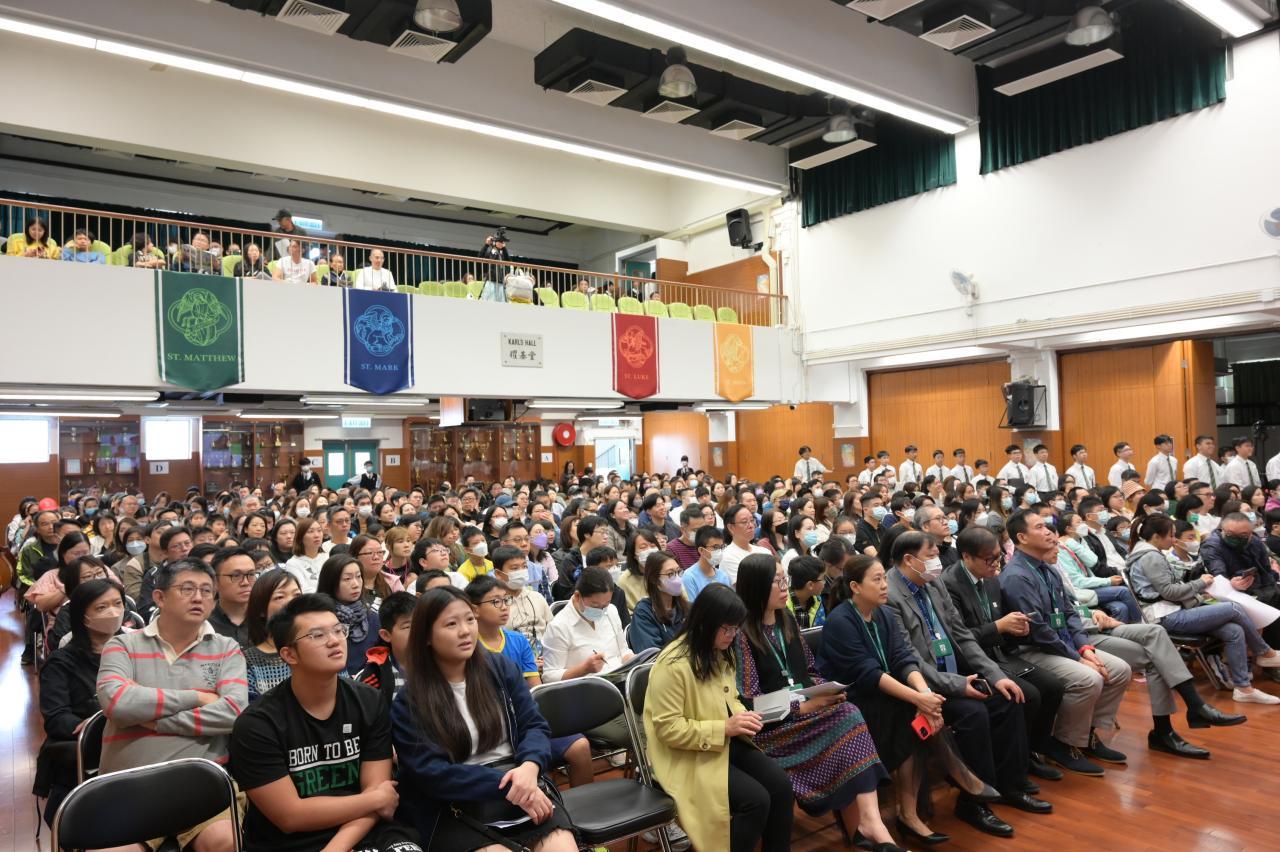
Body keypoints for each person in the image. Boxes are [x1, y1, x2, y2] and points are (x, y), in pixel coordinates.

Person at [230, 593, 421, 852]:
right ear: (289, 654)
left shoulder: (368, 701)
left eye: (338, 630)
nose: (334, 641)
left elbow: (379, 796)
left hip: (363, 827)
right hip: (291, 841)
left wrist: (337, 847)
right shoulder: (257, 724)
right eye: (317, 635)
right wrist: (374, 800)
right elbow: (290, 816)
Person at [390, 587, 577, 852]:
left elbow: (534, 725)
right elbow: (433, 774)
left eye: (469, 619)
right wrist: (510, 785)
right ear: (427, 636)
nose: (465, 631)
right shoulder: (410, 701)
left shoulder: (500, 668)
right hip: (456, 803)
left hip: (522, 782)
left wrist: (530, 767)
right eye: (451, 624)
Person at [883, 531, 1046, 834]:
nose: (938, 560)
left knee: (1009, 695)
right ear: (909, 559)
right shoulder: (890, 596)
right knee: (974, 714)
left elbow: (961, 635)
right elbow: (909, 660)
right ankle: (974, 803)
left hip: (957, 671)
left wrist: (996, 676)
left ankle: (1010, 785)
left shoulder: (933, 583)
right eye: (931, 555)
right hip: (925, 685)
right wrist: (958, 685)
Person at [732, 555, 898, 846]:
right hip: (773, 729)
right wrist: (802, 706)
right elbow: (751, 702)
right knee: (849, 719)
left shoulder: (786, 620)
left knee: (847, 711)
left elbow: (809, 671)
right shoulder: (742, 634)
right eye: (777, 582)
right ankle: (869, 827)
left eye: (785, 580)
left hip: (805, 714)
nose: (785, 587)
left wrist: (825, 690)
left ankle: (869, 825)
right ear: (757, 586)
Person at [96, 558, 247, 851]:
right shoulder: (122, 645)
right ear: (159, 597)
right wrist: (198, 697)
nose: (198, 597)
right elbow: (117, 704)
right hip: (129, 786)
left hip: (202, 786)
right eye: (187, 589)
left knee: (226, 842)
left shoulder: (226, 648)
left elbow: (234, 712)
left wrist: (154, 719)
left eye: (207, 591)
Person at [644, 583, 795, 852]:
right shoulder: (672, 664)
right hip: (685, 753)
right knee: (755, 801)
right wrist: (724, 727)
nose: (732, 635)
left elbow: (730, 698)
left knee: (781, 787)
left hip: (721, 739)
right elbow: (668, 729)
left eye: (736, 628)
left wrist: (742, 715)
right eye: (727, 628)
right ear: (705, 622)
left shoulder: (718, 650)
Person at [817, 555, 953, 844]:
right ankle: (960, 779)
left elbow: (903, 658)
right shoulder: (841, 621)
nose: (884, 585)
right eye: (876, 579)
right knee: (910, 712)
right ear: (855, 586)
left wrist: (925, 695)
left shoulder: (884, 614)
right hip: (851, 702)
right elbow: (867, 674)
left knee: (917, 713)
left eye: (883, 578)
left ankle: (909, 813)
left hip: (884, 694)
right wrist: (918, 699)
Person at [997, 511, 1131, 776]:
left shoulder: (1048, 569)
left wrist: (1085, 649)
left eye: (1047, 526)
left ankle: (1087, 734)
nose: (1048, 531)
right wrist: (1077, 658)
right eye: (1039, 527)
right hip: (1031, 650)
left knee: (1120, 670)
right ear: (1022, 537)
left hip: (1061, 644)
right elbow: (1038, 631)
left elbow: (1069, 613)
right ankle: (1062, 743)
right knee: (1088, 678)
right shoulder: (1016, 576)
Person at [946, 526, 1065, 781]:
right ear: (966, 557)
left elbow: (1001, 624)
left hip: (1000, 654)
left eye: (998, 557)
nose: (996, 564)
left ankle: (1032, 752)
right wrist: (999, 627)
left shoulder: (991, 577)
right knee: (1026, 695)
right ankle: (1013, 765)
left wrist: (1017, 629)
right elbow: (960, 638)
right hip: (972, 662)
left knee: (1053, 686)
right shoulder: (949, 585)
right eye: (989, 559)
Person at [1126, 514, 1279, 707]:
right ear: (1156, 536)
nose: (1174, 540)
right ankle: (1265, 653)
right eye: (1171, 535)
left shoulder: (1148, 553)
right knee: (1233, 607)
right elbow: (1169, 592)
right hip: (1166, 616)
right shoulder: (1151, 557)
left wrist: (1200, 590)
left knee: (1234, 630)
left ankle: (1243, 688)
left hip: (1173, 610)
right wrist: (1200, 583)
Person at [466, 576, 595, 788]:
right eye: (495, 601)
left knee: (580, 746)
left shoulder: (518, 640)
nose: (504, 607)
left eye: (506, 600)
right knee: (533, 764)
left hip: (524, 717)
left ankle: (584, 805)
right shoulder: (469, 647)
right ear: (475, 610)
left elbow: (535, 689)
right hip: (492, 725)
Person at [37, 579, 126, 824]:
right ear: (83, 617)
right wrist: (96, 725)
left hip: (134, 748)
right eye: (101, 607)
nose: (113, 612)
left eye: (118, 604)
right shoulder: (62, 662)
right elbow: (56, 718)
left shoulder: (136, 651)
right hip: (89, 754)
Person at [540, 567, 633, 748]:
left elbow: (623, 650)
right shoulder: (560, 627)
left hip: (619, 688)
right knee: (634, 733)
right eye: (596, 606)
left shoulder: (611, 611)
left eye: (606, 604)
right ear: (577, 596)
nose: (602, 610)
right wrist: (584, 669)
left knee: (654, 719)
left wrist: (632, 659)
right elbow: (549, 677)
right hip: (584, 699)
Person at [1200, 511, 1280, 649]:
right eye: (1230, 534)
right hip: (1231, 594)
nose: (1237, 538)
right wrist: (1232, 583)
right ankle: (1264, 653)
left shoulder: (1255, 541)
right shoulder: (1212, 546)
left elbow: (1266, 570)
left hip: (1261, 587)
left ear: (1250, 533)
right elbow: (1219, 578)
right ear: (1222, 530)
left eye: (1243, 535)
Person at [316, 554, 382, 676]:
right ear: (331, 582)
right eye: (347, 579)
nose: (356, 584)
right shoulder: (319, 621)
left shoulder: (373, 618)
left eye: (359, 576)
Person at [243, 569, 303, 701]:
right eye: (280, 597)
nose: (292, 602)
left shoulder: (319, 645)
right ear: (261, 610)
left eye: (297, 595)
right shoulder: (248, 660)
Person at [629, 551, 689, 653]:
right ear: (654, 579)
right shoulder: (644, 612)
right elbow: (650, 654)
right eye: (670, 574)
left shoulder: (686, 608)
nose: (678, 579)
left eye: (679, 572)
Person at [209, 547, 258, 645]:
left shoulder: (267, 619)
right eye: (236, 576)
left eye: (251, 574)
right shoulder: (205, 624)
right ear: (215, 582)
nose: (245, 582)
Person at [721, 504, 771, 584]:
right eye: (744, 522)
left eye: (752, 520)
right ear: (731, 528)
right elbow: (744, 588)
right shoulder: (727, 557)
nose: (751, 526)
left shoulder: (765, 551)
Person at [683, 525, 730, 601]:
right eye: (715, 547)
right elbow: (693, 606)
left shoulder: (723, 576)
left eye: (721, 547)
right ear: (701, 550)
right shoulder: (690, 577)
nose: (719, 551)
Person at [285, 516, 327, 592]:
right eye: (311, 531)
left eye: (319, 530)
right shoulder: (293, 564)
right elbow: (303, 590)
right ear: (300, 537)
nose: (316, 535)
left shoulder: (327, 557)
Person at [785, 555, 826, 629]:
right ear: (810, 585)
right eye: (822, 579)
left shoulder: (817, 601)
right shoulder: (783, 606)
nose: (824, 582)